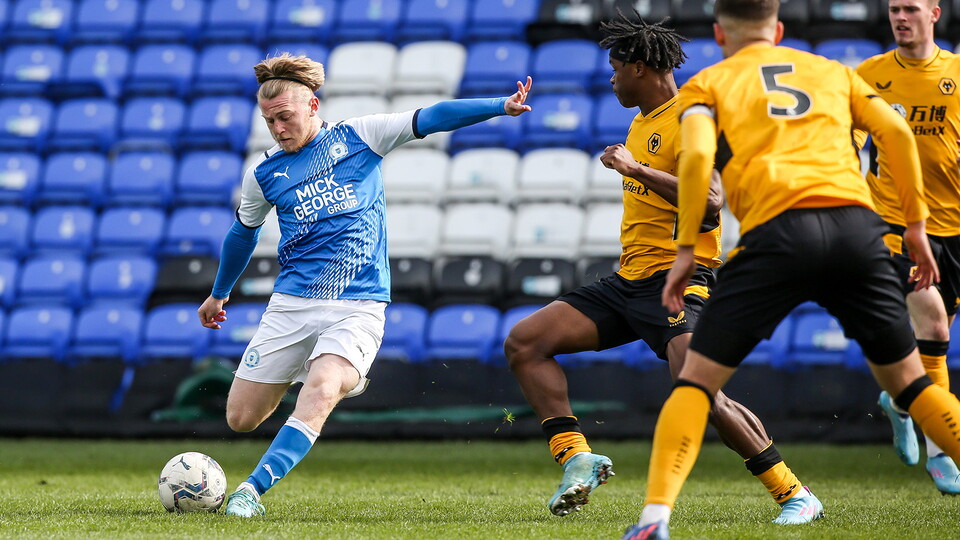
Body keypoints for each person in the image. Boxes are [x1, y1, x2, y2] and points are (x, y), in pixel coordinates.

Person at [624, 0, 960, 537]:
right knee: (914, 386)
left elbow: (694, 161)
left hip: (777, 235)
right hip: (856, 230)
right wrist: (916, 227)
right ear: (778, 30)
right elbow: (896, 136)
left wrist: (685, 249)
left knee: (695, 386)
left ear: (718, 33)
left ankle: (653, 520)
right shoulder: (832, 71)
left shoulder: (707, 85)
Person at [503, 12, 822, 523]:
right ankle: (577, 458)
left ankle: (795, 493)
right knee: (525, 342)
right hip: (629, 281)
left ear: (641, 68)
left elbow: (713, 201)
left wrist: (635, 169)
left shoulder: (692, 118)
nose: (610, 79)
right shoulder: (642, 119)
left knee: (700, 392)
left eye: (615, 68)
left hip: (680, 282)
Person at [196, 53, 533, 517]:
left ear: (312, 105)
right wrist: (219, 292)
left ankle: (251, 491)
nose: (277, 129)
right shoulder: (263, 175)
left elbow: (430, 117)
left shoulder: (361, 135)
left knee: (323, 387)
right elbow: (243, 232)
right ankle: (322, 377)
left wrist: (500, 105)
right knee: (241, 418)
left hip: (358, 305)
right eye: (269, 121)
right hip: (292, 304)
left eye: (285, 117)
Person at [855, 0, 960, 495]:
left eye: (911, 9)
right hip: (892, 224)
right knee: (934, 323)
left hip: (954, 228)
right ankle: (942, 453)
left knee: (933, 344)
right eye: (894, 9)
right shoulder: (870, 75)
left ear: (934, 13)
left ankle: (899, 403)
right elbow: (847, 142)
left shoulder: (957, 73)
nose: (901, 17)